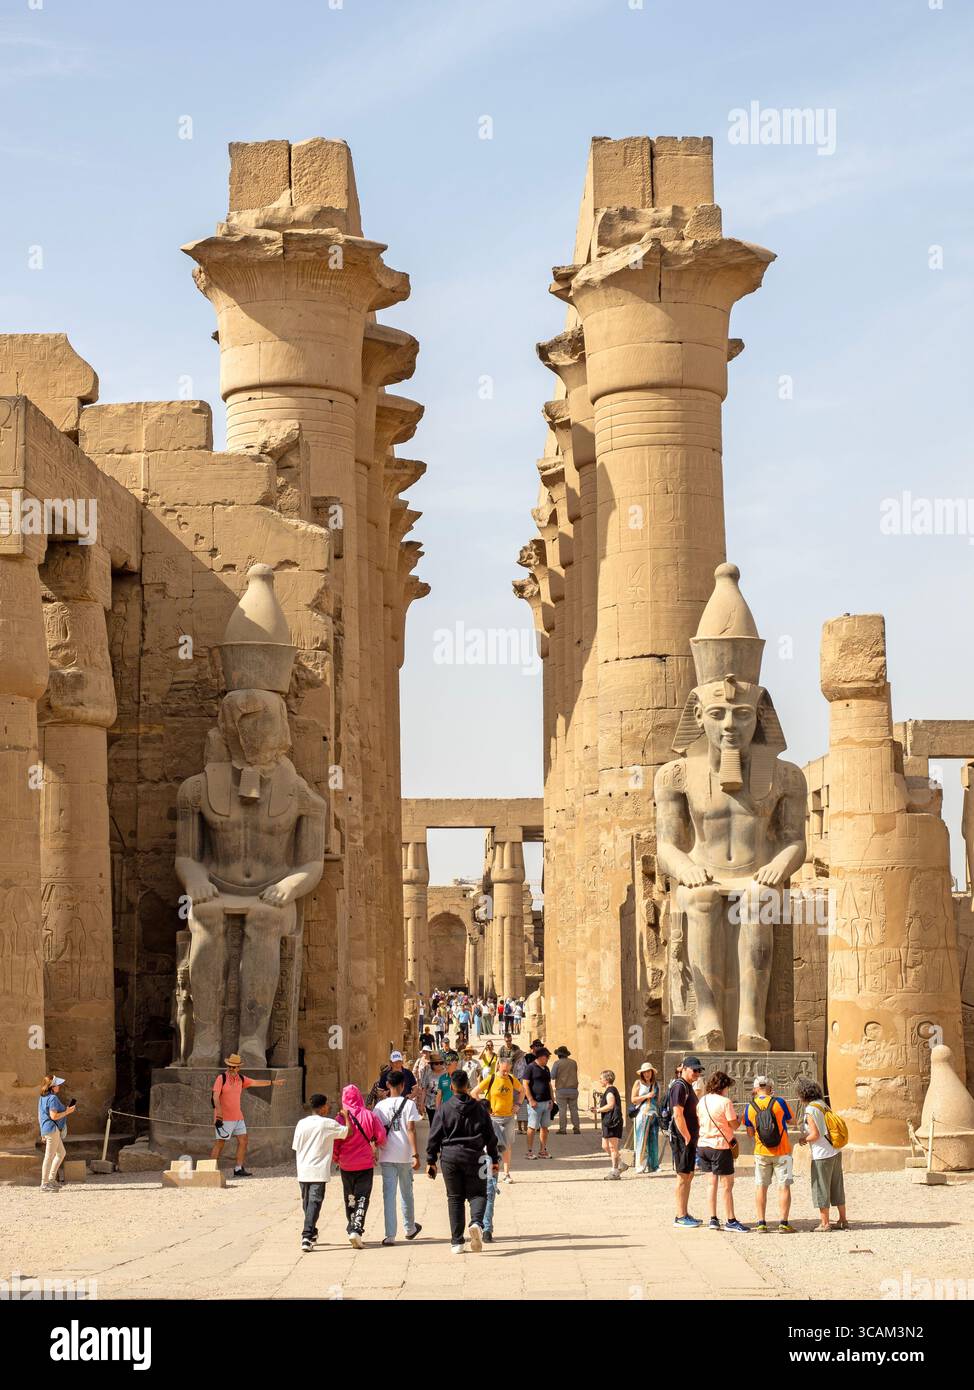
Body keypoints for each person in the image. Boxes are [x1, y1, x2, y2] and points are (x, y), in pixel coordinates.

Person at [426, 1067, 499, 1254]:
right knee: (479, 1194)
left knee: (455, 1198)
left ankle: (457, 1242)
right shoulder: (480, 1109)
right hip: (476, 1156)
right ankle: (476, 1222)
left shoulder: (444, 1109)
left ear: (452, 1086)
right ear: (468, 1085)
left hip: (450, 1158)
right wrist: (494, 1158)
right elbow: (490, 1136)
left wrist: (431, 1160)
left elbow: (434, 1136)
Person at [211, 1053, 285, 1176]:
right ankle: (210, 1170)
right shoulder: (221, 1078)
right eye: (229, 1066)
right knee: (220, 1143)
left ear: (238, 1068)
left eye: (233, 1067)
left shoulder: (241, 1079)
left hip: (238, 1117)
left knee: (243, 1141)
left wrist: (272, 1082)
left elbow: (256, 1082)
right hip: (224, 1118)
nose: (231, 1069)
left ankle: (238, 1168)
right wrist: (218, 1113)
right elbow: (215, 1097)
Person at [292, 1093, 349, 1251]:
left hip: (303, 1168)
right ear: (323, 1107)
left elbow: (296, 1146)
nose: (329, 1107)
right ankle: (307, 1235)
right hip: (318, 1169)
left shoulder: (301, 1123)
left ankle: (312, 1231)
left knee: (307, 1203)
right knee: (314, 1203)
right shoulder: (327, 1123)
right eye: (327, 1105)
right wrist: (347, 1117)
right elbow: (347, 1132)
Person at [332, 1084, 387, 1248]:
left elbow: (335, 1143)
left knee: (349, 1197)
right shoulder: (369, 1115)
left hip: (346, 1164)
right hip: (364, 1163)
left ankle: (351, 1227)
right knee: (363, 1196)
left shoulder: (340, 1119)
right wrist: (374, 1145)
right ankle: (356, 1228)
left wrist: (336, 1158)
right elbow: (381, 1136)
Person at [374, 1070, 423, 1246]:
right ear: (403, 1085)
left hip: (387, 1154)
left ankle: (390, 1234)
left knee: (389, 1194)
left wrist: (376, 1150)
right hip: (404, 1154)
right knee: (406, 1192)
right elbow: (411, 1130)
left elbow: (376, 1132)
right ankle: (409, 1227)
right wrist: (415, 1154)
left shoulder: (379, 1107)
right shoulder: (408, 1104)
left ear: (387, 1085)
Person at [742, 1075, 795, 1234]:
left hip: (761, 1151)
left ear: (755, 1089)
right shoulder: (780, 1102)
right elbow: (792, 1121)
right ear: (770, 1088)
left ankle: (761, 1223)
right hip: (782, 1150)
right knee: (784, 1186)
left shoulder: (749, 1107)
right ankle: (784, 1223)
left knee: (761, 1186)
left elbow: (750, 1133)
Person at [697, 1071, 748, 1232]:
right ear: (723, 1086)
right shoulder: (725, 1102)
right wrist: (739, 1118)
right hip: (720, 1146)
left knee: (711, 1184)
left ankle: (713, 1218)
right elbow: (733, 1125)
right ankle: (731, 1220)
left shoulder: (702, 1101)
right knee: (727, 1186)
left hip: (704, 1144)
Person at [796, 1077, 848, 1232]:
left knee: (821, 1187)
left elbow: (815, 1134)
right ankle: (843, 1220)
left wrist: (803, 1139)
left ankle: (825, 1223)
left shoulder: (811, 1109)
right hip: (834, 1150)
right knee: (837, 1186)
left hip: (822, 1154)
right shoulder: (823, 1105)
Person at [472, 1054, 523, 1186]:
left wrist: (518, 1104)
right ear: (499, 1066)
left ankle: (506, 1174)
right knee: (492, 1146)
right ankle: (490, 1172)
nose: (506, 1073)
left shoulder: (511, 1079)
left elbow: (522, 1090)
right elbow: (474, 1093)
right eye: (503, 1070)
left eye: (508, 1070)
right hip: (493, 1118)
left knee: (507, 1146)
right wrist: (484, 1108)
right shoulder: (491, 1079)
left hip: (509, 1118)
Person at [669, 1055, 703, 1227]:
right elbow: (677, 1113)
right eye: (694, 1070)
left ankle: (684, 1212)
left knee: (689, 1174)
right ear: (684, 1068)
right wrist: (686, 1136)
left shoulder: (688, 1086)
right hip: (683, 1138)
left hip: (690, 1137)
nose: (697, 1073)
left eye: (699, 1070)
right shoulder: (679, 1086)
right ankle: (680, 1215)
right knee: (683, 1176)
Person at [38, 1076, 75, 1192]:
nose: (59, 1086)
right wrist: (67, 1112)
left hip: (47, 1129)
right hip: (52, 1129)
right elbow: (54, 1116)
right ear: (52, 1087)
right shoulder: (53, 1098)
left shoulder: (42, 1097)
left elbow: (40, 1116)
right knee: (49, 1157)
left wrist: (42, 1132)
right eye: (57, 1085)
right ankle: (45, 1184)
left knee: (61, 1153)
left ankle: (51, 1180)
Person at [523, 1046, 554, 1159]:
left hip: (547, 1103)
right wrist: (530, 1099)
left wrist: (552, 1099)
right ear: (540, 1057)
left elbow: (549, 1085)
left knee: (545, 1127)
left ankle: (542, 1150)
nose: (547, 1060)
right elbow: (525, 1084)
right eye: (547, 1057)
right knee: (532, 1127)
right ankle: (529, 1151)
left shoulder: (546, 1069)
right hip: (535, 1103)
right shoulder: (530, 1068)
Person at [630, 1063, 660, 1173]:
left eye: (649, 1071)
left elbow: (657, 1100)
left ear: (652, 1072)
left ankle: (654, 1165)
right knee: (641, 1140)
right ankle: (640, 1164)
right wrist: (646, 1096)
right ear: (642, 1073)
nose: (647, 1074)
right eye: (645, 1072)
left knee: (654, 1140)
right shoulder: (638, 1083)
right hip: (642, 1115)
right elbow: (633, 1099)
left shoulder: (655, 1084)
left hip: (653, 1114)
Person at [597, 1069, 625, 1179]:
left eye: (601, 1078)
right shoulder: (609, 1090)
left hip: (613, 1122)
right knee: (605, 1146)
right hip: (607, 1122)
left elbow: (611, 1105)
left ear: (607, 1079)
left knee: (613, 1147)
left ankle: (615, 1171)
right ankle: (621, 1162)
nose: (600, 1081)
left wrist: (599, 1110)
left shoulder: (610, 1091)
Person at [551, 1046, 581, 1135]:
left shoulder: (557, 1063)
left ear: (558, 1055)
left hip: (561, 1089)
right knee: (574, 1109)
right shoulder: (573, 1062)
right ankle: (576, 1128)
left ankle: (563, 1129)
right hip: (573, 1089)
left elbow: (552, 1076)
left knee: (562, 1110)